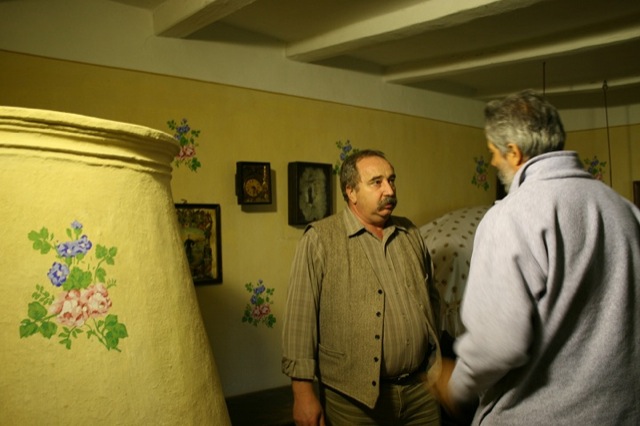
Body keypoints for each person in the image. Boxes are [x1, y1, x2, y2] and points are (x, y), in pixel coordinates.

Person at [433, 90, 640, 425]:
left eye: (493, 153)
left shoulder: (511, 217)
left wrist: (457, 385)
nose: (493, 163)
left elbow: (499, 342)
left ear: (514, 152)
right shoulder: (625, 209)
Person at [282, 149, 442, 425]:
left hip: (420, 392)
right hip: (354, 401)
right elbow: (300, 319)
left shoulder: (410, 233)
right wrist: (303, 393)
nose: (389, 190)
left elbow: (432, 300)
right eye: (376, 182)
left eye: (391, 180)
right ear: (351, 192)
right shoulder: (320, 239)